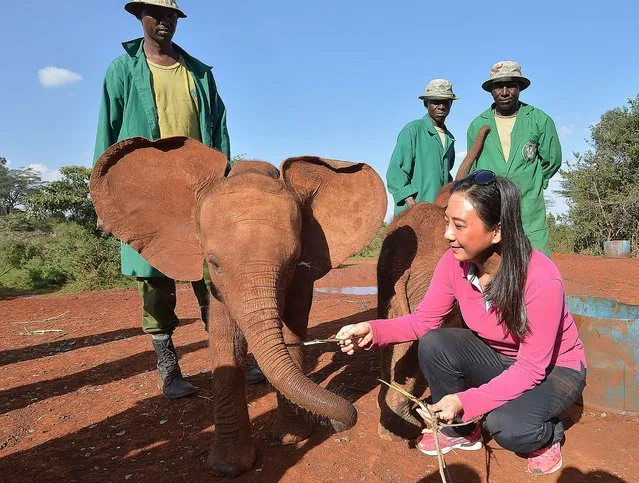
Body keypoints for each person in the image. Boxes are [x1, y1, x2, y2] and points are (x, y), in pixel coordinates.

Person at [336, 170, 586, 476]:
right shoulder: (455, 263)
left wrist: (466, 401)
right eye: (446, 223)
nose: (447, 235)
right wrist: (373, 331)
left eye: (459, 225)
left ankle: (547, 436)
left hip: (553, 369)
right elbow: (424, 321)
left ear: (497, 232)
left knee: (506, 426)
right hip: (499, 357)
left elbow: (532, 368)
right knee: (434, 342)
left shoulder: (540, 278)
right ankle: (462, 432)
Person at [93, 0, 264, 399]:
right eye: (157, 14)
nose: (165, 21)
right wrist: (104, 197)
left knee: (216, 274)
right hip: (147, 192)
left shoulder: (199, 73)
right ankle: (169, 369)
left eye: (171, 15)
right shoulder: (123, 70)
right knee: (154, 279)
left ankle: (233, 357)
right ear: (140, 17)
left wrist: (224, 184)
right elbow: (108, 133)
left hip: (199, 189)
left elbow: (219, 131)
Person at [467, 61, 562, 256]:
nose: (504, 92)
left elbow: (552, 160)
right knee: (493, 264)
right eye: (498, 86)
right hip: (493, 208)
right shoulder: (477, 125)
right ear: (491, 90)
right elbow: (473, 168)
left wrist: (533, 181)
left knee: (536, 264)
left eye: (510, 85)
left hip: (528, 208)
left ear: (519, 88)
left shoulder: (539, 120)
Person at [386, 79, 459, 216]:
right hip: (412, 214)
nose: (441, 106)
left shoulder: (449, 138)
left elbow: (446, 176)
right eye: (436, 101)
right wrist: (413, 206)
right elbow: (396, 172)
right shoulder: (413, 130)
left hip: (437, 214)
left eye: (445, 101)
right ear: (426, 103)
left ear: (451, 103)